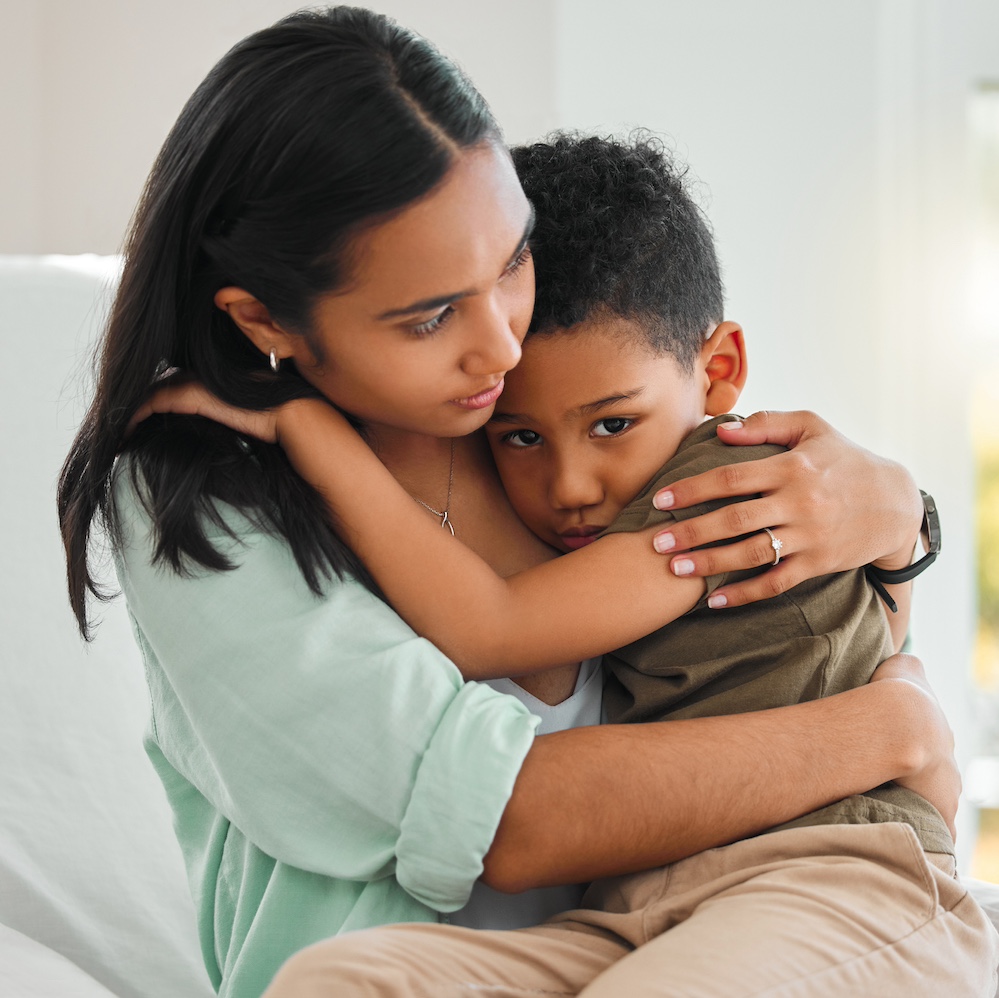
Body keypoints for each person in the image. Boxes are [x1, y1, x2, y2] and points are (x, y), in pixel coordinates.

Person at [58, 8, 962, 998]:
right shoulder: (203, 490)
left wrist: (902, 513)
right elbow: (509, 816)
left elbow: (813, 619)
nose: (499, 345)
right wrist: (890, 731)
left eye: (512, 262)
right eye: (432, 314)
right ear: (266, 319)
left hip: (760, 901)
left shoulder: (548, 416)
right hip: (598, 931)